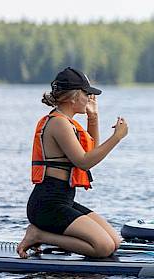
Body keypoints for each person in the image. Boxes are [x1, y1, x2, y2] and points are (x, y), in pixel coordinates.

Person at [16, 67, 128, 258]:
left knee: (114, 242)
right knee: (103, 248)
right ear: (74, 97)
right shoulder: (58, 123)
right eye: (87, 93)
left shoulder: (67, 122)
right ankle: (38, 234)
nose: (90, 98)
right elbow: (84, 162)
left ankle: (45, 235)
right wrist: (116, 138)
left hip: (63, 200)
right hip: (47, 204)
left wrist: (93, 118)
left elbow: (91, 153)